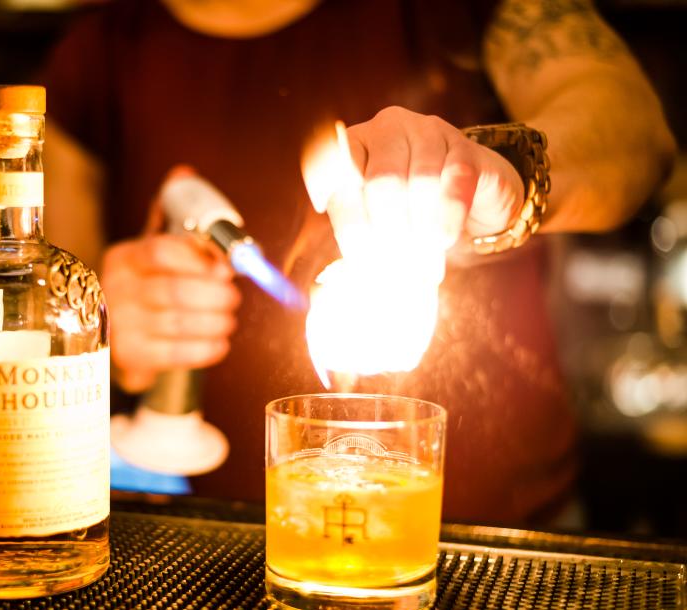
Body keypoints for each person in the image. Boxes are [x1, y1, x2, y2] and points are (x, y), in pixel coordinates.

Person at [39, 0, 676, 526]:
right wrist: (99, 325)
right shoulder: (95, 55)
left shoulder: (472, 12)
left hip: (507, 542)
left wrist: (506, 177)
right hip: (221, 548)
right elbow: (51, 312)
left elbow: (633, 133)